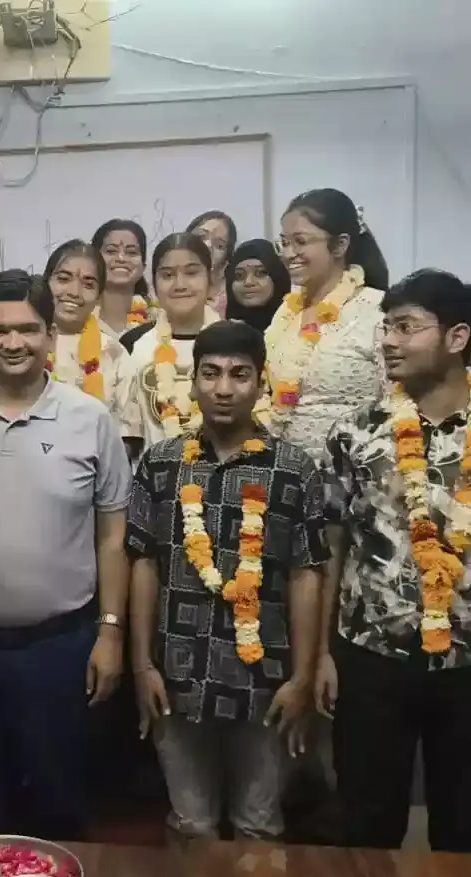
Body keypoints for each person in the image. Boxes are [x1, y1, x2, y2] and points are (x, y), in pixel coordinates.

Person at [318, 269, 471, 854]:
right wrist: (322, 654)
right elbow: (331, 545)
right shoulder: (355, 434)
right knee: (365, 826)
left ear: (457, 337)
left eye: (406, 327)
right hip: (370, 656)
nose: (388, 341)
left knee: (465, 829)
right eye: (386, 328)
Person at [0, 269, 132, 839]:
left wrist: (110, 632)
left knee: (59, 803)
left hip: (59, 647)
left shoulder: (90, 419)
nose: (13, 343)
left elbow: (112, 535)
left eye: (27, 329)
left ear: (49, 334)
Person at [127, 319, 329, 842]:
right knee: (191, 824)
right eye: (210, 373)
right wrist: (141, 665)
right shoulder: (162, 464)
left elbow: (307, 575)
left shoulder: (294, 469)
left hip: (266, 683)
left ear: (261, 383)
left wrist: (302, 678)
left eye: (239, 375)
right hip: (177, 678)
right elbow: (143, 563)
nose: (223, 388)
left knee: (257, 827)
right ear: (192, 382)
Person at [262, 188, 391, 457]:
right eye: (284, 242)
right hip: (286, 468)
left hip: (355, 469)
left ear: (340, 245)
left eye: (300, 241)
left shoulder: (376, 310)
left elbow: (396, 402)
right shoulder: (285, 314)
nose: (289, 254)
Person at [0, 241, 140, 439]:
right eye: (63, 279)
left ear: (99, 295)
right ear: (45, 284)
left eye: (88, 284)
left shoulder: (113, 353)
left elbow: (128, 436)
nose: (74, 292)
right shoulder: (11, 346)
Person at [121, 233, 223, 444]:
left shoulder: (236, 342)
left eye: (191, 273)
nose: (180, 285)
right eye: (167, 275)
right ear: (154, 284)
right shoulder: (133, 344)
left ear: (210, 279)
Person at [92, 219, 154, 340]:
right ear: (93, 262)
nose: (121, 258)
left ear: (143, 266)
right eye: (111, 251)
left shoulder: (160, 322)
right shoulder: (78, 319)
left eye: (131, 252)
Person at [224, 238, 291, 336]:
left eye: (260, 273)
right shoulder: (221, 334)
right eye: (239, 275)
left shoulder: (298, 327)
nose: (248, 282)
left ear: (277, 278)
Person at [189, 210, 238, 313]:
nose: (208, 246)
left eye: (219, 246)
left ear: (225, 260)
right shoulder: (161, 283)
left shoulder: (233, 296)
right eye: (200, 237)